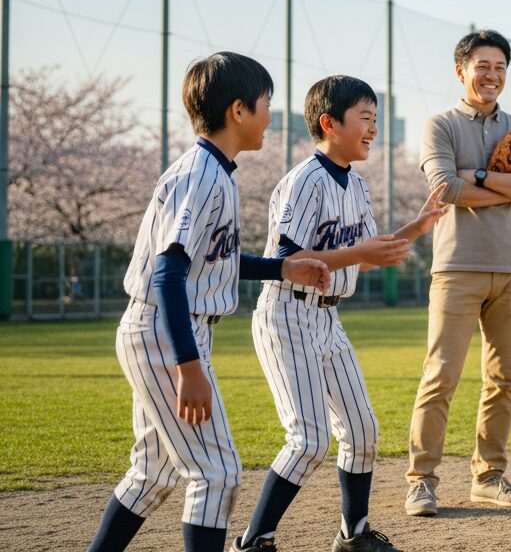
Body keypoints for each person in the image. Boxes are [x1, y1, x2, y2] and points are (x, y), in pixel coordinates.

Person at [86, 52, 330, 552]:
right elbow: (168, 272)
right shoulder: (202, 175)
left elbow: (208, 261)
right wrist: (188, 365)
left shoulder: (214, 171)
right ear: (238, 110)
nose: (270, 115)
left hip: (164, 325)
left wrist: (282, 267)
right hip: (166, 329)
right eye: (266, 104)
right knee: (216, 474)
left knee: (153, 473)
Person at [234, 76, 448, 552]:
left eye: (375, 118)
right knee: (308, 440)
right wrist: (359, 252)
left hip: (328, 320)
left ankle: (354, 535)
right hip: (287, 316)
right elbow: (292, 258)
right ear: (329, 123)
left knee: (362, 430)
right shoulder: (303, 180)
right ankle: (254, 541)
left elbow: (365, 253)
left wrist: (416, 226)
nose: (373, 129)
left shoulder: (355, 182)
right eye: (364, 119)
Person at [405, 30, 511, 516]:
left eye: (500, 67)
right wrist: (510, 189)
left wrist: (482, 177)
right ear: (461, 71)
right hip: (457, 268)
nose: (492, 75)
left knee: (503, 380)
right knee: (440, 377)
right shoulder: (440, 125)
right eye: (483, 66)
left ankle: (488, 477)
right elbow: (445, 188)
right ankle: (421, 480)